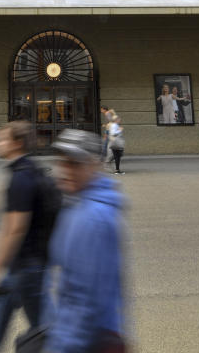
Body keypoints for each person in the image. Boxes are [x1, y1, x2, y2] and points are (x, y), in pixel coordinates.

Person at [0, 121, 54, 352]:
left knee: (47, 332)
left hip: (27, 270)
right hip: (19, 268)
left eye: (3, 139)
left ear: (17, 144)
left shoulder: (21, 178)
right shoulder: (29, 170)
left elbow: (13, 230)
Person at [44, 129, 129, 352]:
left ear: (94, 165)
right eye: (62, 162)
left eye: (75, 163)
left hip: (85, 341)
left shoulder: (90, 217)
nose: (65, 170)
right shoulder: (78, 205)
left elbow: (82, 298)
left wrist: (61, 346)